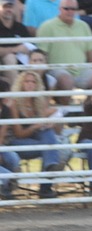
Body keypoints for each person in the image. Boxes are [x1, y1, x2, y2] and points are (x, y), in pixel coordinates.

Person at [7, 68, 67, 198]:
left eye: (33, 82)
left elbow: (56, 129)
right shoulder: (14, 103)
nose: (30, 84)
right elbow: (18, 134)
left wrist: (53, 121)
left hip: (36, 141)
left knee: (48, 132)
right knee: (51, 149)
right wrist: (36, 126)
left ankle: (50, 167)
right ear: (21, 84)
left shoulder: (39, 102)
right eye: (27, 81)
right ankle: (47, 184)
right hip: (16, 143)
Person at [36, 0, 92, 97]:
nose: (70, 11)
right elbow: (42, 54)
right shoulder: (47, 27)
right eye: (66, 8)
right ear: (59, 9)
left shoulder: (83, 26)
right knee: (66, 80)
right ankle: (65, 106)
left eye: (73, 9)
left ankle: (91, 105)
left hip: (81, 70)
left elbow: (90, 53)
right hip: (57, 69)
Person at [0, 0, 31, 88]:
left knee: (38, 60)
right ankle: (16, 94)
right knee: (9, 58)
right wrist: (15, 49)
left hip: (23, 65)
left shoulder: (20, 28)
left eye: (10, 6)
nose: (8, 9)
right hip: (3, 67)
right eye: (5, 6)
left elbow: (30, 47)